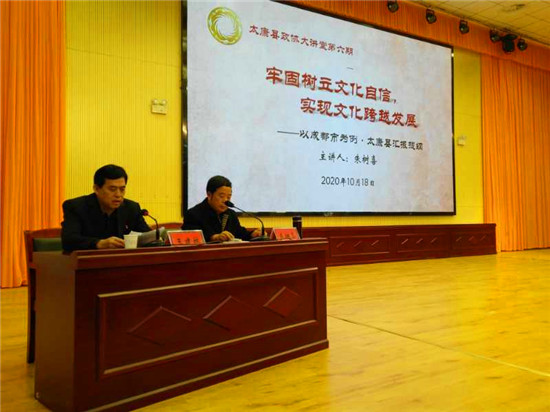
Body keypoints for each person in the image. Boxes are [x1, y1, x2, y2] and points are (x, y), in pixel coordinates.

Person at [61, 164, 151, 251]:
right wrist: (98, 243)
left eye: (122, 189)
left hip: (124, 259)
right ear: (96, 189)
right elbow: (69, 241)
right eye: (112, 189)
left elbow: (148, 237)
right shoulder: (76, 207)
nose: (118, 195)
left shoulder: (131, 208)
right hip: (89, 260)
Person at [183, 175, 261, 242]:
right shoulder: (193, 214)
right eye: (221, 196)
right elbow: (191, 239)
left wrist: (253, 234)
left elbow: (240, 233)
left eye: (228, 197)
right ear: (209, 195)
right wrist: (214, 238)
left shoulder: (231, 214)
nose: (225, 200)